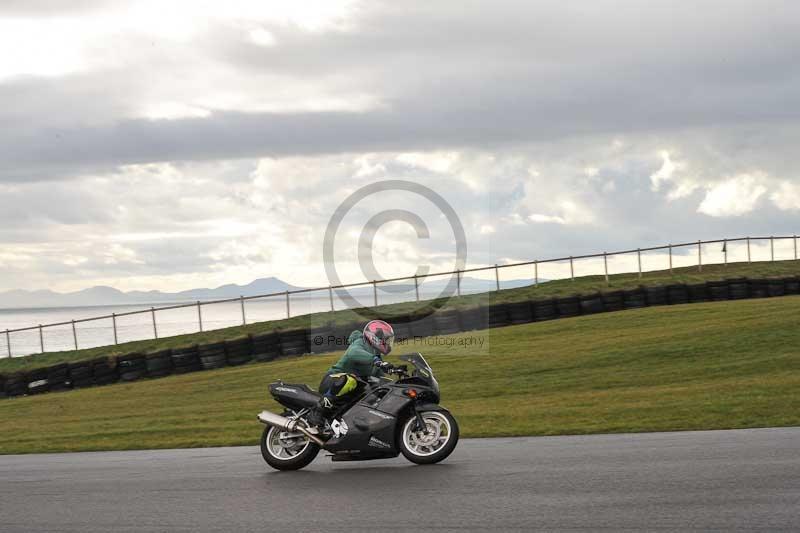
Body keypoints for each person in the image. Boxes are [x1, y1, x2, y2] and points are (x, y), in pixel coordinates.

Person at [306, 320, 396, 432]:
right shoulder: (360, 342)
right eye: (385, 339)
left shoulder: (376, 356)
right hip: (333, 380)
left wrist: (396, 382)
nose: (387, 343)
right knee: (351, 380)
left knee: (378, 389)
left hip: (350, 389)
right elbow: (353, 353)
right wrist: (375, 360)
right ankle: (317, 411)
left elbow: (382, 380)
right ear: (374, 336)